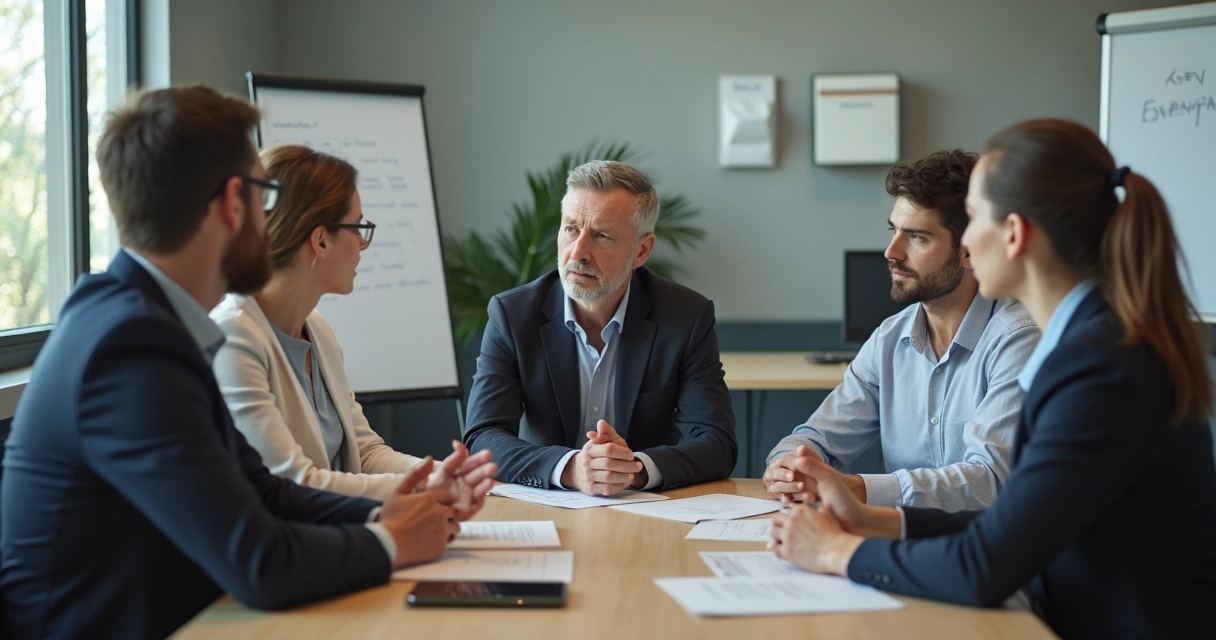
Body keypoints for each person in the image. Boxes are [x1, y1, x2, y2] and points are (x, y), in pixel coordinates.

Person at [0, 86, 486, 640]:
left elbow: (269, 492)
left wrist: (394, 516)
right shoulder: (130, 346)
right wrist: (395, 541)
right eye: (265, 196)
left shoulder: (153, 322)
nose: (272, 218)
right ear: (235, 202)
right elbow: (259, 562)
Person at [769, 119, 1216, 639]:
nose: (967, 240)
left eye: (975, 218)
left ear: (1014, 233)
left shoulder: (1097, 368)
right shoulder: (1089, 343)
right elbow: (1015, 525)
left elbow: (984, 566)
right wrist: (875, 520)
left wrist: (835, 550)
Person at [210, 144, 493, 501]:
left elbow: (366, 453)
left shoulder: (319, 330)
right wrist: (427, 486)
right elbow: (296, 482)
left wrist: (444, 472)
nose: (363, 243)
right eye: (357, 226)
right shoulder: (233, 336)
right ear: (320, 240)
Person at [764, 150, 1039, 510]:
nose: (891, 252)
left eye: (918, 237)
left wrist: (860, 489)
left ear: (968, 250)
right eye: (893, 231)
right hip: (897, 541)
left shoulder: (1019, 337)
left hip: (985, 552)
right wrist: (789, 465)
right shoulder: (888, 339)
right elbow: (816, 438)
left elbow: (990, 480)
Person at [463, 160, 737, 496]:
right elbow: (482, 437)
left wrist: (631, 469)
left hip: (644, 510)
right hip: (544, 505)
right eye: (570, 229)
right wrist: (571, 469)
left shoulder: (685, 318)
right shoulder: (513, 315)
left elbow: (716, 442)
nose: (578, 252)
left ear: (642, 250)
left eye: (602, 236)